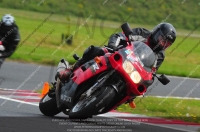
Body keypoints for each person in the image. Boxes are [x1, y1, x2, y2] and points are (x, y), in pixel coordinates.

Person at [56, 22, 176, 82]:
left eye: (167, 44)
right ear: (156, 32)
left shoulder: (160, 55)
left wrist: (149, 80)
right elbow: (120, 35)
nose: (163, 44)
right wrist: (113, 45)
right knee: (97, 51)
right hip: (119, 54)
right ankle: (71, 69)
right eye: (162, 39)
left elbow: (152, 72)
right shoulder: (142, 33)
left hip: (132, 69)